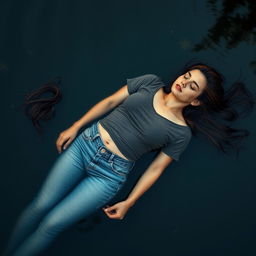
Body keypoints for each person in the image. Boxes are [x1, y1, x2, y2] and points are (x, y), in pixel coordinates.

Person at [2, 60, 255, 256]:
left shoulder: (181, 132)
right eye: (187, 76)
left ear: (197, 101)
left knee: (51, 224)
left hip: (108, 176)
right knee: (40, 205)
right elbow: (111, 101)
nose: (184, 82)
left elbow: (156, 169)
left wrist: (129, 202)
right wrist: (75, 126)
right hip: (85, 146)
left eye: (193, 86)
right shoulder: (150, 82)